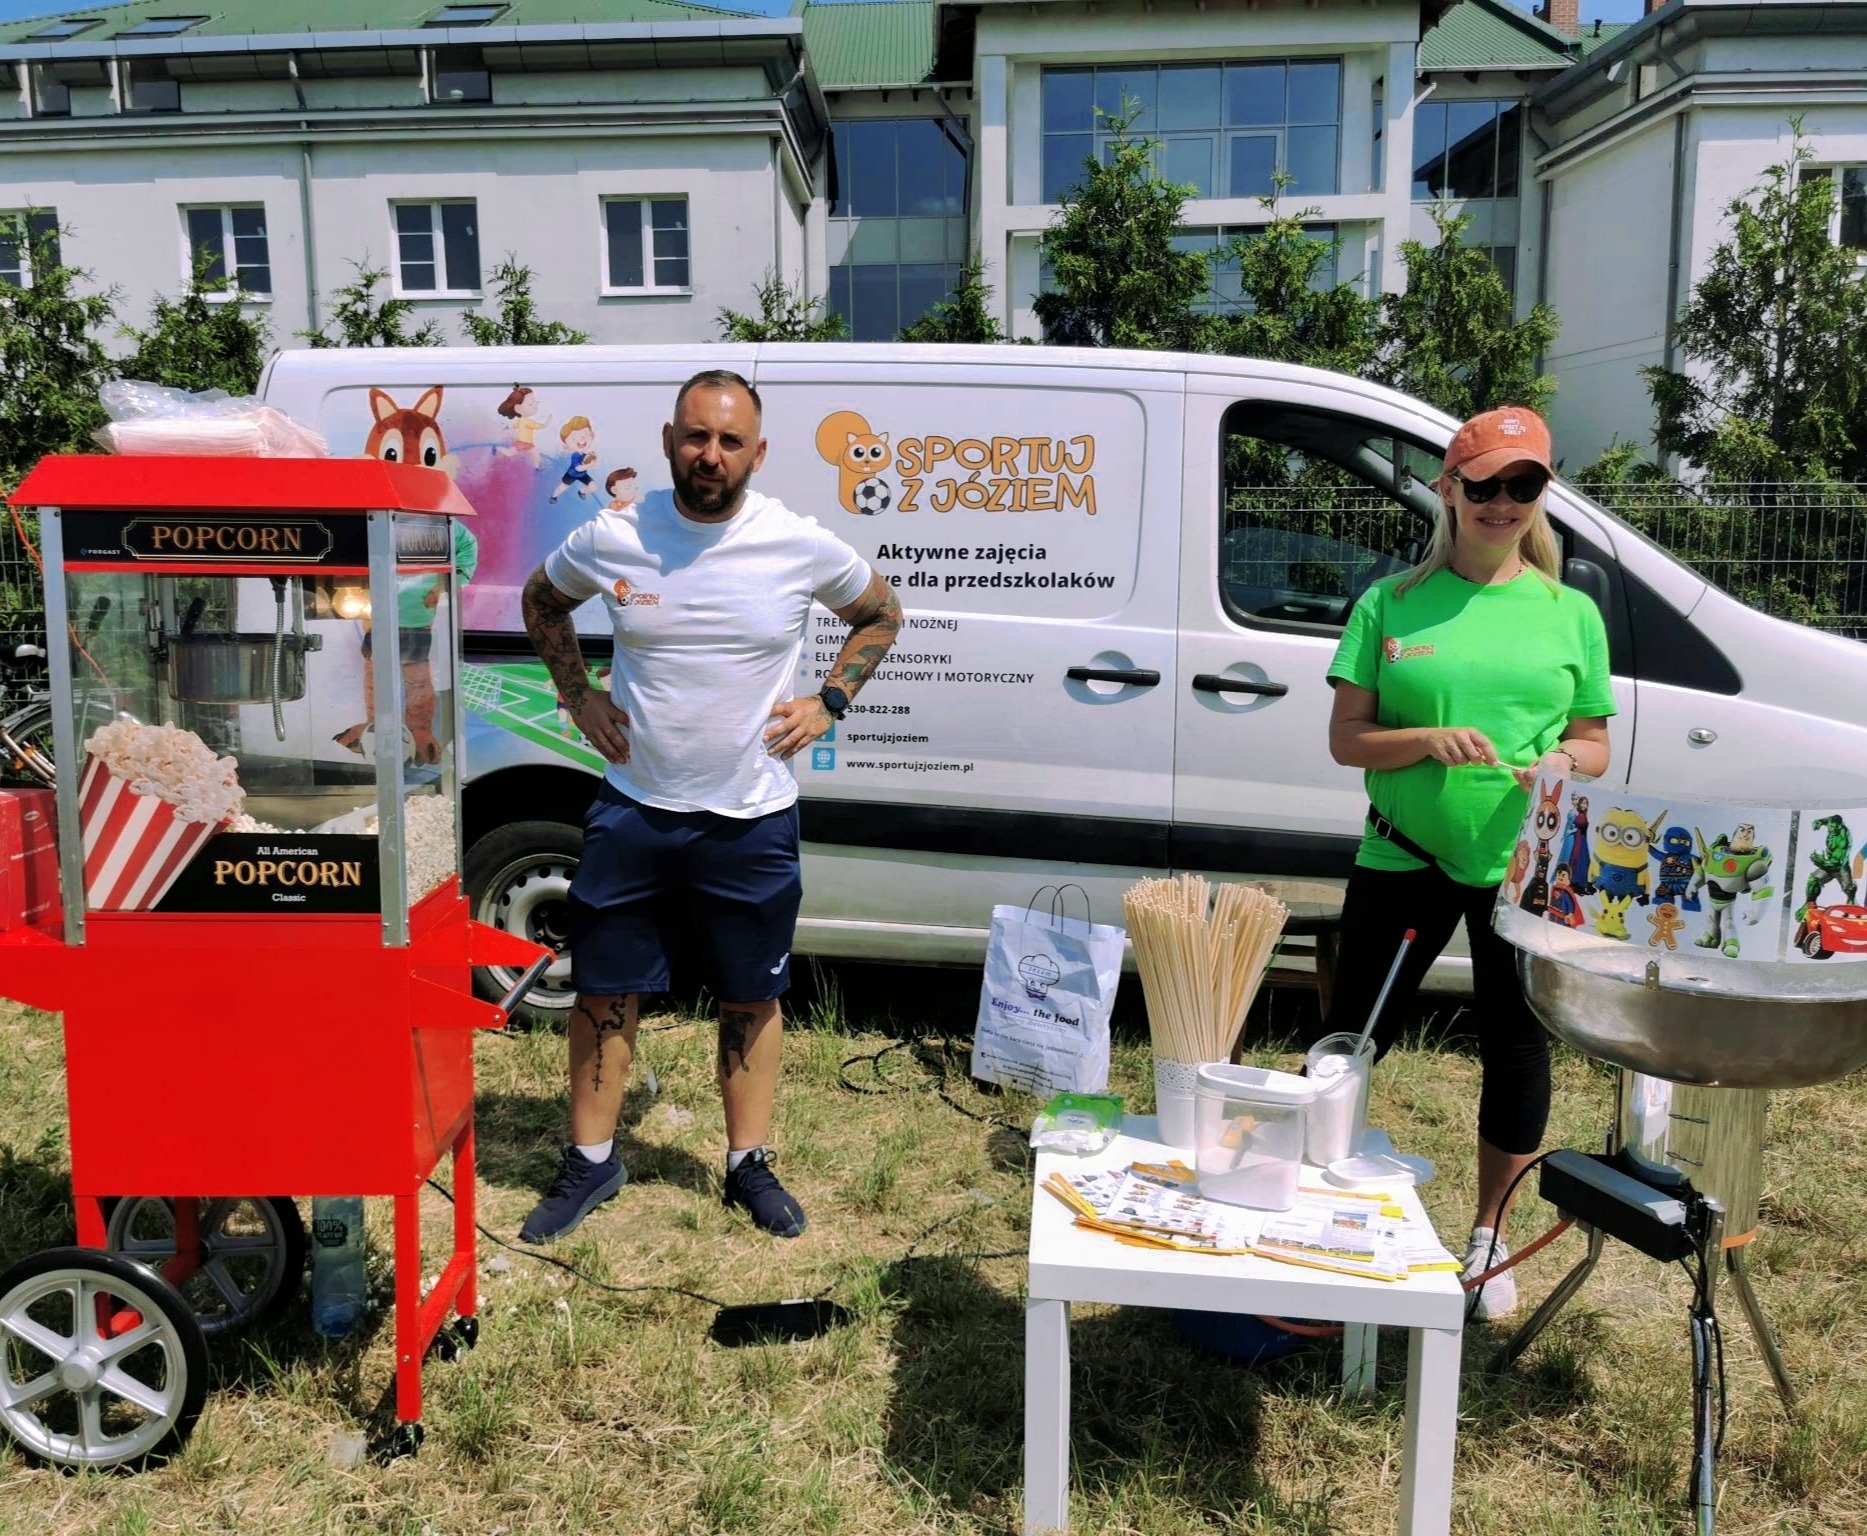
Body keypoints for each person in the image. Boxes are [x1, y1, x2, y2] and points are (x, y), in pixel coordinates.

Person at [517, 369, 903, 1243]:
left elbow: (880, 614)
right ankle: (590, 1161)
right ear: (668, 441)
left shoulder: (794, 542)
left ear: (758, 454)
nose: (710, 454)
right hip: (635, 805)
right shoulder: (617, 534)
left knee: (748, 997)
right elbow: (541, 600)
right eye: (696, 436)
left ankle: (746, 1164)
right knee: (604, 989)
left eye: (730, 441)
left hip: (751, 813)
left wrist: (828, 701)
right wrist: (578, 696)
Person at [1319, 405, 1613, 1319]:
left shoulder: (1570, 612)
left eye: (1522, 484)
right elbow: (1346, 740)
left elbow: (1594, 744)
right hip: (1401, 855)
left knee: (1515, 1048)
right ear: (1448, 489)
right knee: (1351, 1040)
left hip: (1520, 870)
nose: (1500, 501)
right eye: (1482, 483)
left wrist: (1562, 763)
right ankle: (1318, 1202)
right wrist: (1423, 739)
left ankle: (1487, 1237)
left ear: (1540, 495)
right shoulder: (1389, 603)